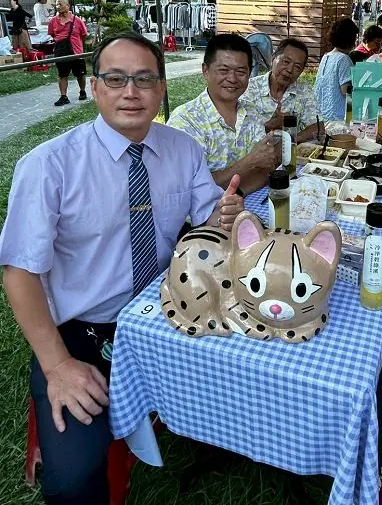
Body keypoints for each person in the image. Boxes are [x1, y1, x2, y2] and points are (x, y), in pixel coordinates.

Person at [0, 31, 244, 505]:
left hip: (164, 316)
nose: (130, 92)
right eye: (115, 78)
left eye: (144, 79)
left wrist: (223, 215)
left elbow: (206, 220)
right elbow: (19, 272)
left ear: (162, 89)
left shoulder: (183, 150)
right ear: (94, 87)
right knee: (72, 481)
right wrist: (58, 365)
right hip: (83, 333)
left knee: (255, 373)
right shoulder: (48, 166)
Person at [167, 33, 280, 193]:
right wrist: (248, 162)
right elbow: (190, 188)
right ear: (205, 71)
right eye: (223, 70)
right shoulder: (186, 120)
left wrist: (236, 195)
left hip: (247, 204)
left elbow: (263, 171)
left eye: (241, 72)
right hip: (202, 217)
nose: (232, 79)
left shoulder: (252, 111)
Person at [242, 38, 323, 143]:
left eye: (297, 67)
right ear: (273, 59)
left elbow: (318, 127)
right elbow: (239, 135)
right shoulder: (249, 89)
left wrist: (288, 143)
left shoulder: (303, 91)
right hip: (256, 155)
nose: (289, 70)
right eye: (286, 62)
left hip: (291, 155)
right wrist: (268, 126)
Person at [314, 17, 358, 121]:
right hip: (338, 117)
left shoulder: (326, 56)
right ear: (350, 39)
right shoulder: (344, 59)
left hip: (322, 115)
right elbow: (346, 90)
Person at [48, 0, 89, 106]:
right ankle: (63, 96)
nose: (58, 7)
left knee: (80, 74)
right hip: (61, 51)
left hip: (76, 51)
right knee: (62, 74)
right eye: (56, 5)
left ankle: (82, 91)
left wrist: (76, 44)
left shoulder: (77, 20)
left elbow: (84, 35)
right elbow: (53, 34)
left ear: (67, 6)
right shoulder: (53, 21)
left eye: (60, 4)